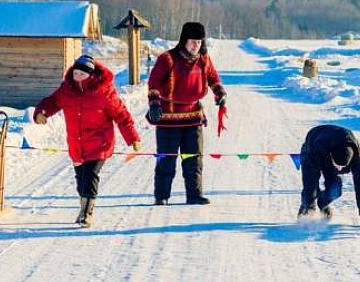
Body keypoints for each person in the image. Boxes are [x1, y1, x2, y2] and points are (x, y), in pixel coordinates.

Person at [34, 55, 140, 227]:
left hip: (99, 144)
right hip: (76, 144)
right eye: (75, 73)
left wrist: (133, 138)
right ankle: (83, 207)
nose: (77, 77)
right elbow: (52, 101)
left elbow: (122, 115)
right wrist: (42, 112)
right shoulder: (67, 90)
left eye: (82, 74)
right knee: (81, 180)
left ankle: (87, 213)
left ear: (91, 75)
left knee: (90, 176)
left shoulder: (104, 92)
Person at [146, 22, 226, 205]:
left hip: (193, 118)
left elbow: (213, 78)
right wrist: (154, 104)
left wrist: (220, 93)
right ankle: (162, 196)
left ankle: (194, 195)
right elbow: (154, 83)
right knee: (167, 160)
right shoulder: (167, 59)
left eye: (199, 42)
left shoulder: (204, 59)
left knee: (194, 160)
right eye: (192, 41)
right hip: (168, 119)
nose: (195, 45)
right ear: (184, 41)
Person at [298, 125, 360, 226]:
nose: (340, 169)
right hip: (313, 150)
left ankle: (323, 204)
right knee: (310, 192)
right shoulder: (317, 148)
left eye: (343, 167)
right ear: (331, 156)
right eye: (337, 165)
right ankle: (305, 211)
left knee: (335, 190)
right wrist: (309, 210)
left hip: (329, 151)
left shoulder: (359, 158)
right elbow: (309, 181)